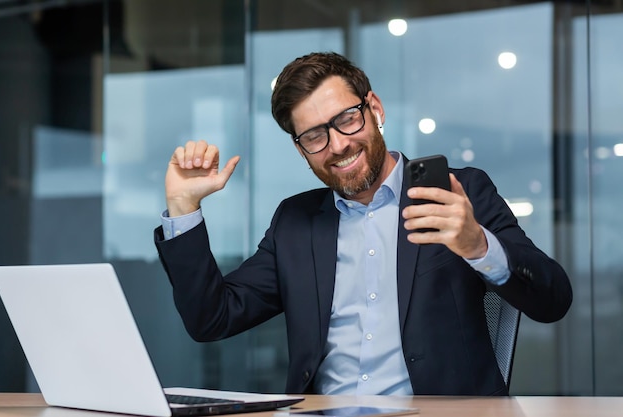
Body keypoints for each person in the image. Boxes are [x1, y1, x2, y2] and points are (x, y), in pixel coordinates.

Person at [154, 52, 572, 396]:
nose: (337, 144)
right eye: (315, 136)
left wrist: (480, 246)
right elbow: (212, 319)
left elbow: (552, 300)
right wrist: (183, 207)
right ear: (301, 151)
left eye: (347, 119)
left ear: (374, 109)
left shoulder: (459, 192)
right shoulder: (295, 223)